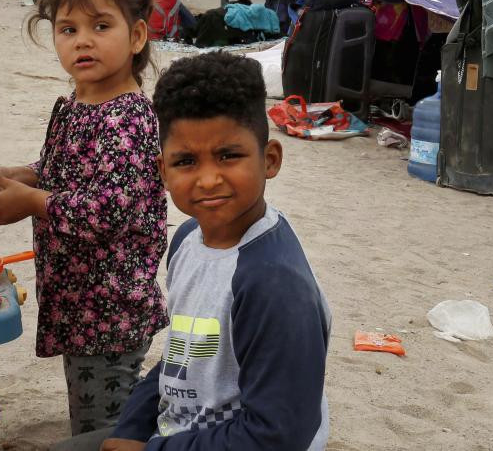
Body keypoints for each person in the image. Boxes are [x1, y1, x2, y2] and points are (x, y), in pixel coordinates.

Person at [81, 51, 331, 451]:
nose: (209, 179)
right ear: (163, 171)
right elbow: (181, 361)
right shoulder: (186, 240)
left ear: (269, 160)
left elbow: (279, 435)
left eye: (228, 156)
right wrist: (128, 429)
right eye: (186, 161)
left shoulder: (272, 282)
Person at [0, 0, 168, 440]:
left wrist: (32, 202)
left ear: (136, 37)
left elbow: (109, 210)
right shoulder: (73, 104)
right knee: (90, 404)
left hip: (112, 308)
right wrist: (21, 175)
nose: (82, 41)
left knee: (108, 427)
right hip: (78, 301)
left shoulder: (129, 119)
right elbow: (63, 171)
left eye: (101, 26)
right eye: (68, 29)